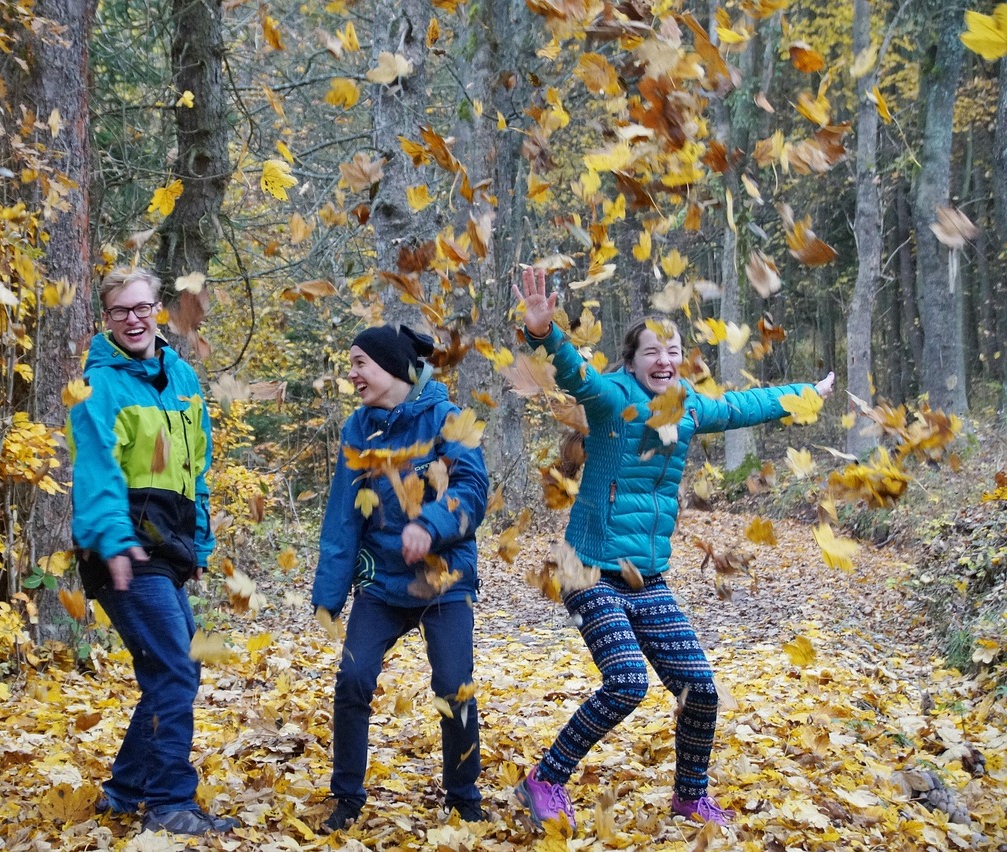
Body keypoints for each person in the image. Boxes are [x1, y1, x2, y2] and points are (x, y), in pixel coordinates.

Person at [510, 267, 834, 829]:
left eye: (673, 351)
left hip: (646, 575)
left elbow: (742, 407)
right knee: (627, 681)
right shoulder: (612, 399)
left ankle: (690, 796)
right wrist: (544, 334)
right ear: (632, 362)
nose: (664, 361)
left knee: (700, 689)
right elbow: (576, 376)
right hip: (585, 566)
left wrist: (805, 396)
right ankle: (543, 780)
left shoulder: (687, 407)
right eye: (652, 352)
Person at [67, 266, 238, 837]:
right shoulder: (99, 386)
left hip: (169, 549)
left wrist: (202, 542)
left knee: (176, 668)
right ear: (106, 320)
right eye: (121, 311)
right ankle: (168, 803)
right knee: (175, 666)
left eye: (142, 308)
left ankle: (123, 792)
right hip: (124, 551)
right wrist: (113, 541)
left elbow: (198, 469)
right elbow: (96, 474)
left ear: (158, 309)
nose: (134, 319)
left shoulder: (184, 377)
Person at [312, 324, 490, 832]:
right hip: (382, 585)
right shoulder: (357, 429)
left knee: (454, 686)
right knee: (353, 679)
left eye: (359, 363)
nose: (352, 374)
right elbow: (343, 517)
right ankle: (346, 797)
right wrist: (329, 593)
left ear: (391, 368)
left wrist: (430, 529)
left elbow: (473, 490)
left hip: (443, 582)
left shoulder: (449, 419)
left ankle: (463, 796)